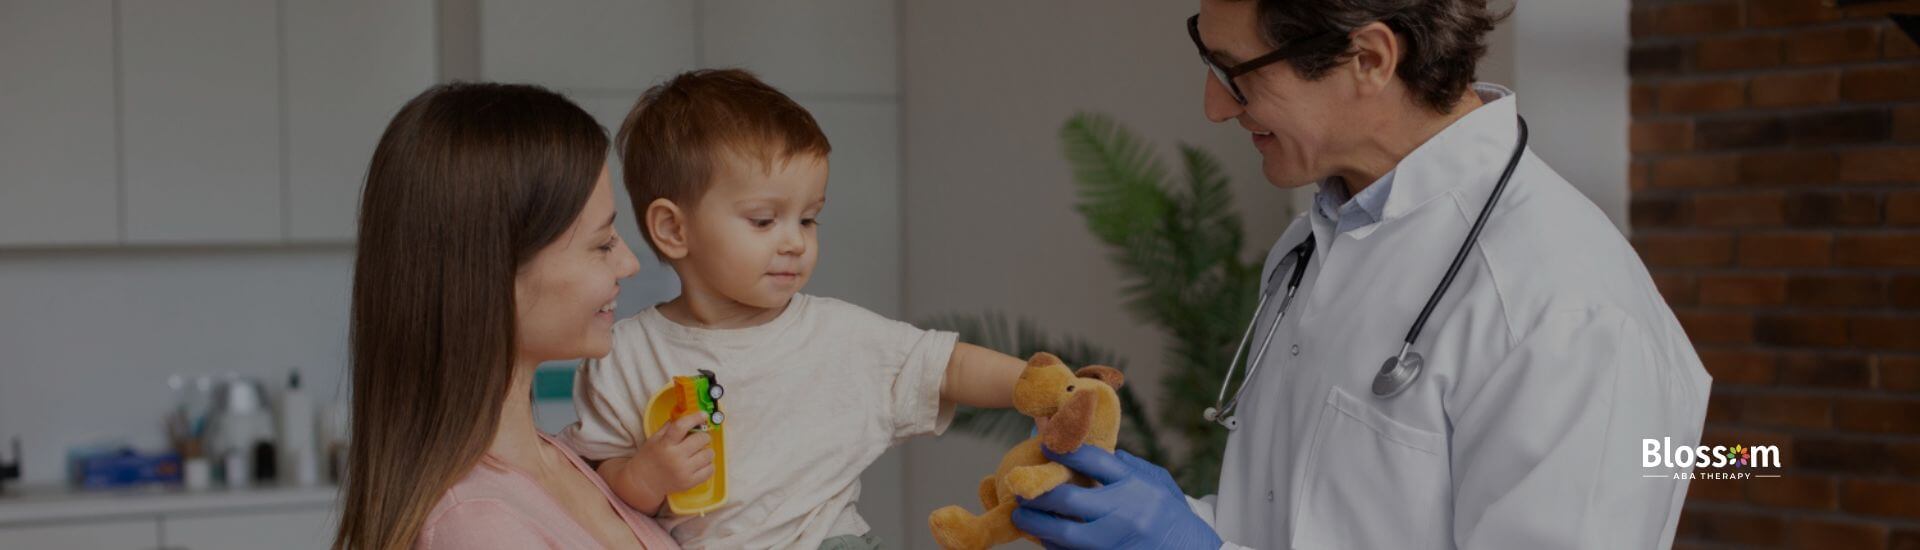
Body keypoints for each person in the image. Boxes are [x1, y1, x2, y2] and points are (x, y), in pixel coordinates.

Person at [1012, 1, 1712, 548]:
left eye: (1238, 71)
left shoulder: (1564, 308)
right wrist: (1164, 520)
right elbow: (1309, 522)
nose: (1215, 105)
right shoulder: (1321, 238)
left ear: (1370, 57)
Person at [559, 69, 1031, 550]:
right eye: (764, 221)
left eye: (808, 219)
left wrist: (1037, 388)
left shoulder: (836, 332)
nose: (795, 242)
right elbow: (595, 485)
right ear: (674, 230)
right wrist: (645, 477)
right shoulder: (624, 355)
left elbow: (947, 366)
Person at [334, 82, 677, 549]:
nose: (629, 264)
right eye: (602, 244)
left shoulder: (558, 460)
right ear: (493, 274)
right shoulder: (477, 528)